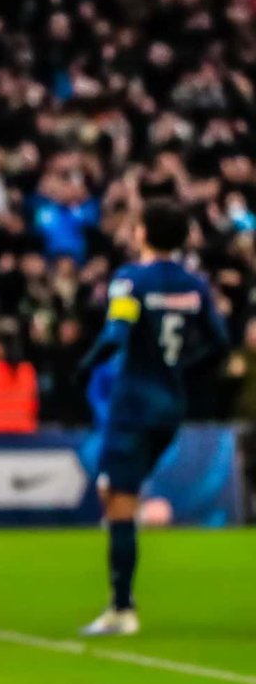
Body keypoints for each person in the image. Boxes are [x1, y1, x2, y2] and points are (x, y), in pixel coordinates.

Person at [78, 199, 229, 636]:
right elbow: (219, 343)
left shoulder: (130, 280)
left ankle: (121, 609)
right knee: (116, 491)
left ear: (143, 233)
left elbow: (115, 335)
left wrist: (83, 367)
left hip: (133, 404)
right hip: (171, 405)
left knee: (118, 500)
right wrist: (181, 370)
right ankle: (123, 583)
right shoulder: (195, 285)